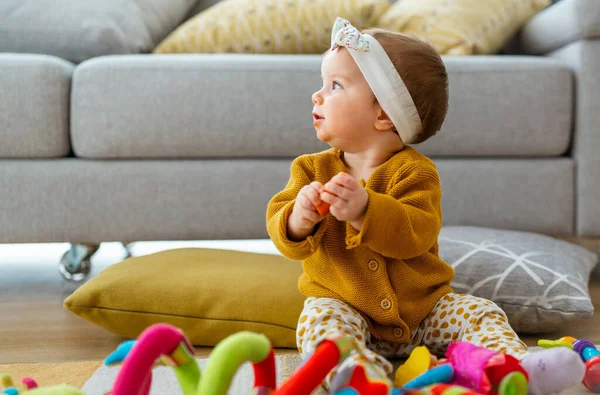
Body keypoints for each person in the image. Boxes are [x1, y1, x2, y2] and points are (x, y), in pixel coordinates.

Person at [266, 17, 584, 394]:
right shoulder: (311, 169)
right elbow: (283, 234)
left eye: (335, 86)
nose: (317, 96)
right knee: (319, 324)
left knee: (481, 313)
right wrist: (298, 219)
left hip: (423, 310)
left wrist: (367, 209)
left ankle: (516, 368)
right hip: (344, 305)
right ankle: (358, 375)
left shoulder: (416, 172)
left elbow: (416, 234)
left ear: (383, 115)